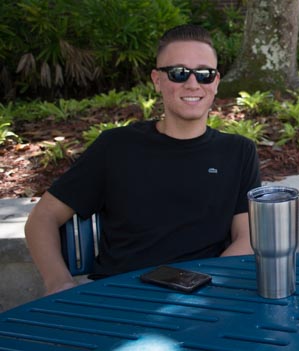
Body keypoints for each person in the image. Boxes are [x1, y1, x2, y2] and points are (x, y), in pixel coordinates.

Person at [24, 24, 261, 295]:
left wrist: (206, 289)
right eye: (178, 73)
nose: (192, 83)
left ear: (216, 82)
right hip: (121, 295)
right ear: (157, 80)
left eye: (204, 74)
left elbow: (247, 237)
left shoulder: (238, 151)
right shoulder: (115, 146)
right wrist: (58, 282)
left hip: (205, 292)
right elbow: (43, 217)